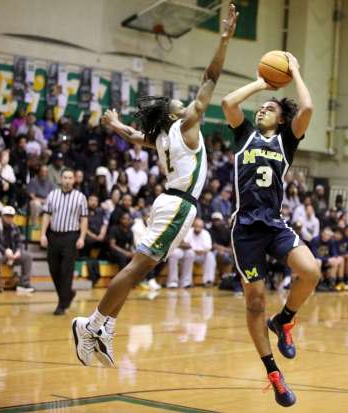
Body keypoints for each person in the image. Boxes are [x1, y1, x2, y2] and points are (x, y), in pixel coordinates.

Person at [71, 4, 238, 368]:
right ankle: (91, 323)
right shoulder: (186, 126)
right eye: (178, 103)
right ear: (176, 114)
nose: (181, 101)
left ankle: (103, 327)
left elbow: (134, 135)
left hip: (171, 202)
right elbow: (210, 78)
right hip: (178, 205)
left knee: (140, 270)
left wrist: (115, 123)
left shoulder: (162, 136)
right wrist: (224, 39)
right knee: (135, 270)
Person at [221, 51, 320, 406]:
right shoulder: (244, 134)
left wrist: (294, 71)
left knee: (311, 271)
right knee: (255, 302)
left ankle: (285, 321)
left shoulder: (286, 141)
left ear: (281, 121)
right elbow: (228, 101)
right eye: (261, 107)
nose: (262, 109)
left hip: (274, 224)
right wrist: (262, 84)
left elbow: (307, 110)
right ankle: (273, 373)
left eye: (270, 108)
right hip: (245, 228)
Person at [40, 168, 88, 315]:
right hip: (54, 236)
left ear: (74, 180)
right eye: (65, 178)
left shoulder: (80, 197)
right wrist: (43, 234)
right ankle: (67, 295)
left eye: (70, 178)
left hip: (71, 236)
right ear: (60, 179)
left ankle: (62, 304)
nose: (67, 180)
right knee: (54, 269)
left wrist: (82, 237)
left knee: (66, 271)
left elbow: (84, 218)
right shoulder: (52, 195)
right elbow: (47, 216)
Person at [0, 206, 34, 293]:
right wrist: (5, 251)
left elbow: (19, 242)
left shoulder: (15, 227)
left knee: (27, 256)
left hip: (10, 253)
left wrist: (18, 251)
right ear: (2, 216)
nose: (9, 218)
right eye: (7, 216)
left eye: (11, 216)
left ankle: (24, 284)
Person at [167, 218, 216, 288]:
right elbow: (184, 244)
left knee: (210, 255)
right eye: (196, 226)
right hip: (189, 253)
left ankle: (208, 280)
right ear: (193, 225)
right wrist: (192, 249)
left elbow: (209, 247)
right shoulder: (188, 231)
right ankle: (183, 282)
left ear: (202, 227)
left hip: (201, 255)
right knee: (189, 253)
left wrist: (202, 251)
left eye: (200, 227)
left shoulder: (206, 233)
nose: (198, 228)